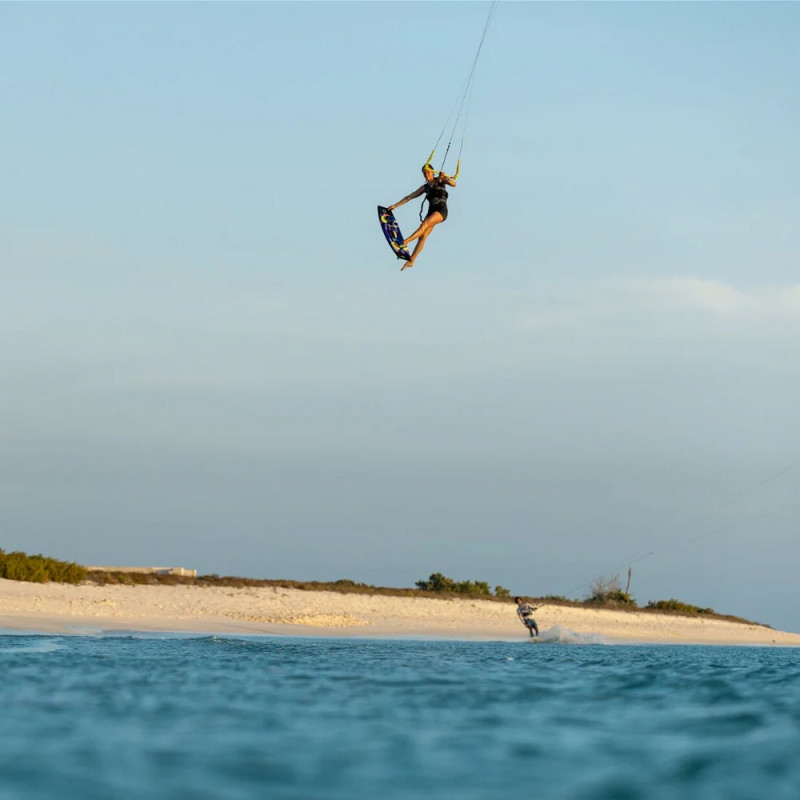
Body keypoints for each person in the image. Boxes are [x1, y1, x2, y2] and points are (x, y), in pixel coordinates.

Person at [387, 163, 456, 271]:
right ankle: (411, 261)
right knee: (422, 236)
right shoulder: (425, 187)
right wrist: (395, 205)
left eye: (428, 172)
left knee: (424, 224)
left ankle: (405, 242)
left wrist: (445, 177)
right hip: (431, 211)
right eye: (424, 173)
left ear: (433, 172)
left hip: (441, 210)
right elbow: (409, 197)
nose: (426, 175)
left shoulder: (441, 180)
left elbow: (453, 184)